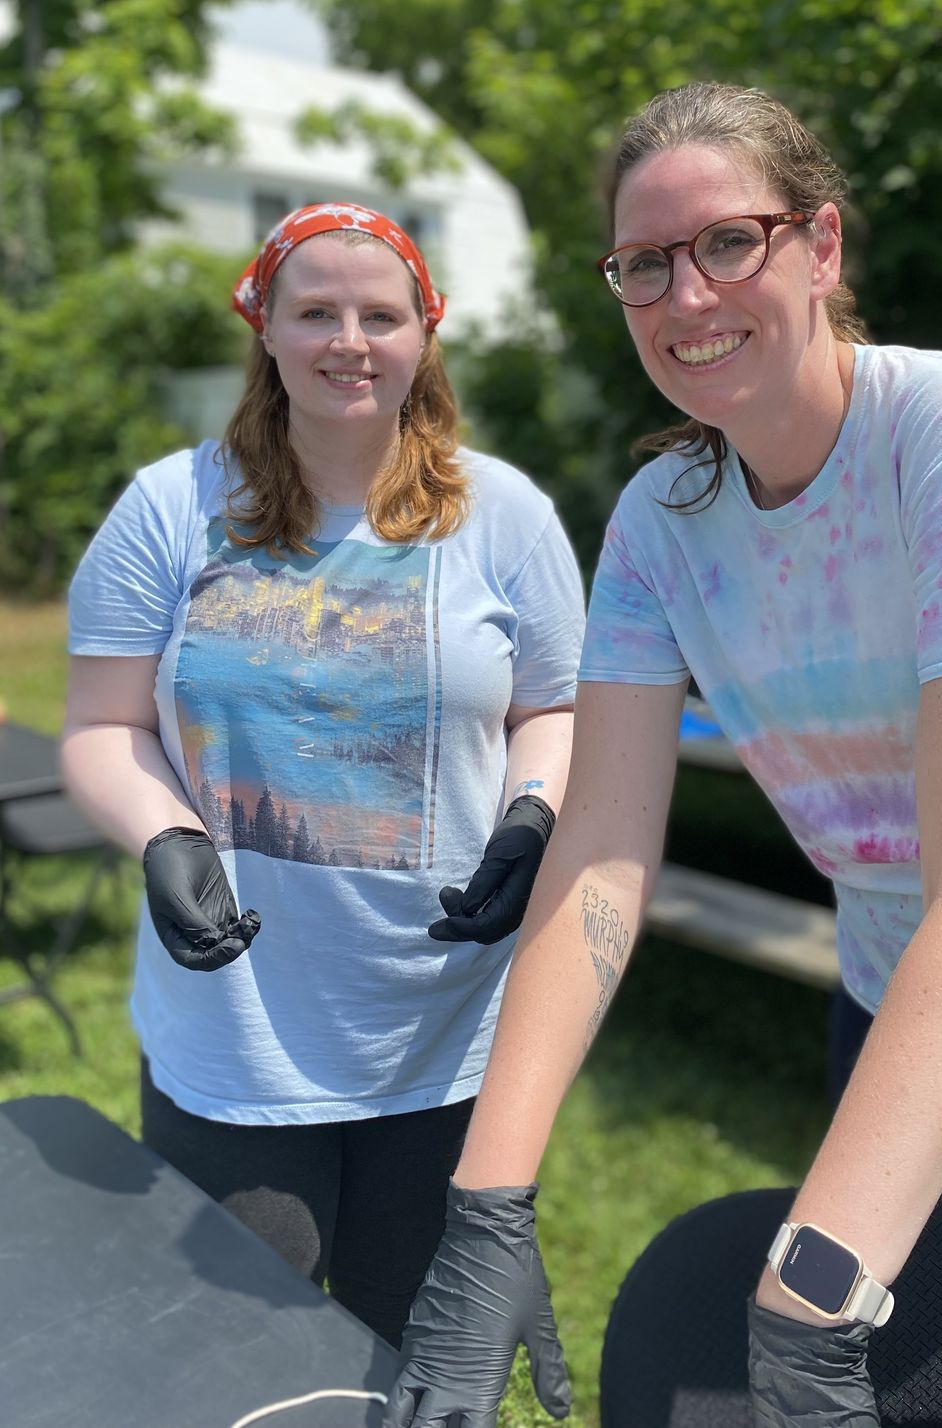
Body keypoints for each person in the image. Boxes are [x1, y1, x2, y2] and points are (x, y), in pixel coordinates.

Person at [384, 83, 942, 1428]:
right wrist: (487, 1207)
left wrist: (806, 1308)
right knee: (925, 1369)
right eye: (643, 265)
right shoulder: (659, 521)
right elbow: (598, 858)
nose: (685, 295)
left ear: (821, 248)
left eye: (727, 242)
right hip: (906, 986)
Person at [61, 201, 585, 1348]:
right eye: (316, 312)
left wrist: (533, 817)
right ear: (268, 331)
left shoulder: (505, 516)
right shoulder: (170, 509)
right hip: (234, 1034)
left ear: (423, 337)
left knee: (418, 1358)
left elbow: (556, 707)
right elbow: (100, 728)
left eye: (380, 315)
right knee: (240, 1365)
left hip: (445, 1033)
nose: (350, 339)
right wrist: (168, 834)